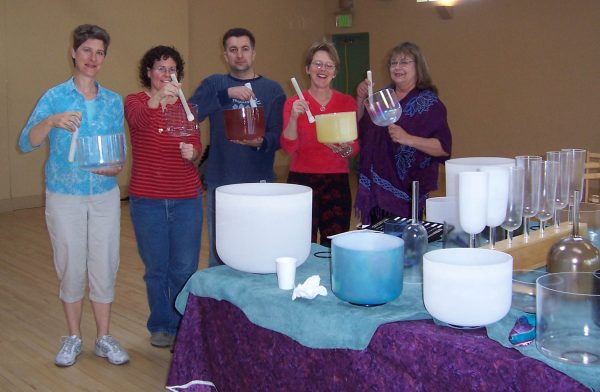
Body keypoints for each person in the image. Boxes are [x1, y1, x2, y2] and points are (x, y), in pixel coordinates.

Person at [18, 24, 128, 367]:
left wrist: (115, 168)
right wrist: (51, 120)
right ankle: (73, 337)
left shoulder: (113, 101)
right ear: (74, 53)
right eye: (86, 51)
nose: (93, 58)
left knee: (105, 262)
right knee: (69, 263)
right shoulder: (55, 97)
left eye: (99, 52)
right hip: (64, 195)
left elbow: (118, 151)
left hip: (105, 196)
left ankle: (104, 338)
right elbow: (27, 141)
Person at [125, 46, 203, 348]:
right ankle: (160, 323)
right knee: (156, 268)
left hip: (187, 197)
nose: (166, 74)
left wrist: (192, 152)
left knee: (184, 267)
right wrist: (158, 99)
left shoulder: (188, 107)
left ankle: (182, 322)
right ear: (149, 72)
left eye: (171, 69)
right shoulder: (135, 101)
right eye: (160, 68)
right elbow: (139, 122)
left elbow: (196, 144)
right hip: (148, 199)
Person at [189, 27, 285, 267]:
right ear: (225, 55)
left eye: (244, 49)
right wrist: (226, 94)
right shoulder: (214, 84)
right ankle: (219, 304)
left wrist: (261, 142)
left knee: (258, 248)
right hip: (221, 182)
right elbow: (189, 114)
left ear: (253, 53)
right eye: (233, 50)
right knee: (220, 252)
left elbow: (279, 136)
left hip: (259, 182)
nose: (239, 55)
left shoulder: (272, 90)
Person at [354, 42, 452, 224]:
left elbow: (443, 148)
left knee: (403, 245)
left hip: (409, 190)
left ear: (418, 67)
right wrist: (360, 99)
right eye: (393, 63)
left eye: (404, 62)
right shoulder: (382, 97)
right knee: (377, 243)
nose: (397, 67)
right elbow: (360, 128)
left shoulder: (430, 104)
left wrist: (408, 139)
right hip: (375, 190)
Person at [280, 41, 359, 246]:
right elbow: (288, 147)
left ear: (335, 72)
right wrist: (294, 118)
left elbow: (353, 147)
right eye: (317, 64)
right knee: (300, 242)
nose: (322, 69)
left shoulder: (346, 102)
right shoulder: (294, 103)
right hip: (302, 182)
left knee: (333, 244)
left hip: (336, 182)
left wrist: (346, 149)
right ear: (307, 69)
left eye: (328, 65)